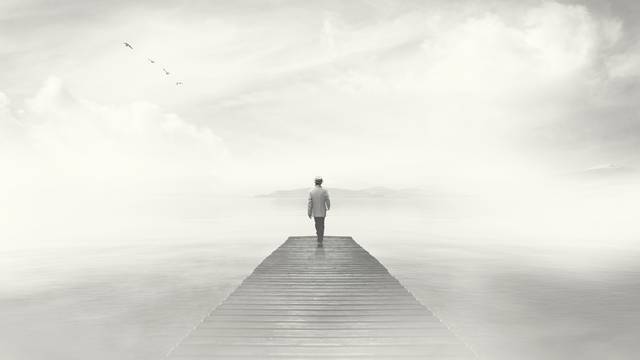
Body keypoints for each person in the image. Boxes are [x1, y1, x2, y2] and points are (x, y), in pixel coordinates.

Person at [307, 176, 330, 243]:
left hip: (315, 212)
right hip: (322, 211)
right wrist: (328, 207)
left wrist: (309, 212)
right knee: (322, 224)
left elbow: (310, 203)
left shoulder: (311, 191)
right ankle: (320, 238)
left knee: (317, 224)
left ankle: (318, 236)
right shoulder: (324, 191)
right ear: (321, 182)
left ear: (315, 182)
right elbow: (327, 200)